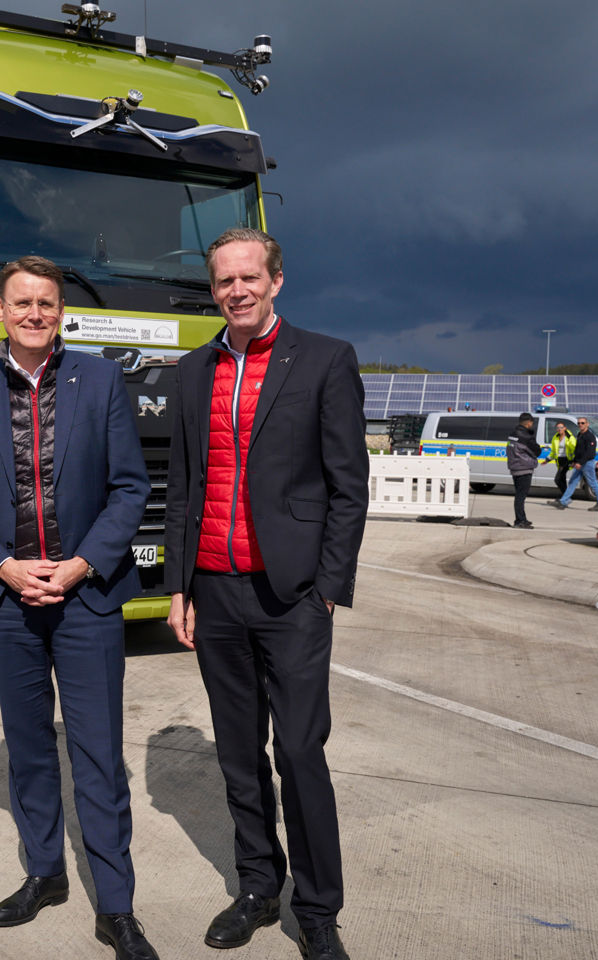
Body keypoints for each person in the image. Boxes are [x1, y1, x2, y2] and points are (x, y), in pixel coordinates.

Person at [0, 256, 156, 960]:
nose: (35, 313)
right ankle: (44, 873)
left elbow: (129, 488)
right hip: (8, 604)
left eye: (48, 303)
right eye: (23, 302)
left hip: (86, 599)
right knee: (29, 750)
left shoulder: (100, 380)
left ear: (62, 312)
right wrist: (5, 567)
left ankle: (117, 907)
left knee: (97, 754)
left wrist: (81, 564)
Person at [164, 229, 368, 960]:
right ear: (213, 289)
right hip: (215, 594)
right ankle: (257, 885)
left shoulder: (324, 360)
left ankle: (317, 908)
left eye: (250, 277)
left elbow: (350, 485)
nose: (238, 291)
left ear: (276, 280)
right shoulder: (192, 372)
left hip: (293, 597)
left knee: (301, 753)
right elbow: (184, 488)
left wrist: (329, 589)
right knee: (238, 754)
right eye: (224, 281)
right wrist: (178, 587)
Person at [551, 417, 598, 511]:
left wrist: (580, 463)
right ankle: (563, 502)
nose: (580, 425)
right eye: (578, 423)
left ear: (587, 424)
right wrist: (574, 461)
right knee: (572, 482)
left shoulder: (589, 436)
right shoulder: (579, 434)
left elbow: (590, 453)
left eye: (582, 423)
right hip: (579, 463)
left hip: (587, 463)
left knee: (592, 483)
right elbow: (578, 450)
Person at [505, 413, 541, 529]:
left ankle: (522, 519)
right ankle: (519, 521)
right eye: (532, 423)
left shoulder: (512, 434)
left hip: (515, 468)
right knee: (521, 496)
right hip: (524, 469)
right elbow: (537, 451)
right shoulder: (526, 437)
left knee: (519, 495)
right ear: (529, 422)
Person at [542, 421, 576, 497]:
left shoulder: (570, 437)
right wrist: (547, 460)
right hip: (559, 461)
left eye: (561, 427)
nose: (559, 429)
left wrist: (574, 461)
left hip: (567, 460)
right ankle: (565, 498)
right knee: (562, 480)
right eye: (558, 428)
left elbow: (575, 450)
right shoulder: (555, 437)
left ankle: (565, 497)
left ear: (565, 428)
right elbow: (554, 452)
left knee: (557, 479)